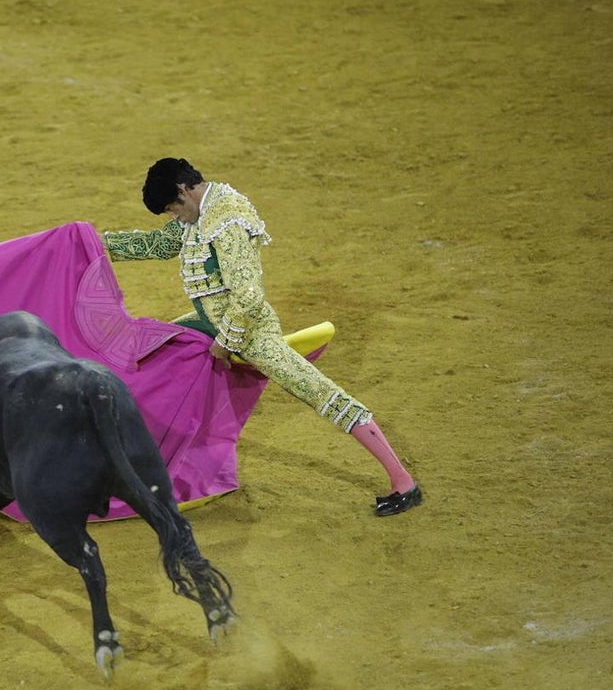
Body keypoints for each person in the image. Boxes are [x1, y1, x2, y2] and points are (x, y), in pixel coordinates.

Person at [101, 157, 423, 517]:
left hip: (249, 331)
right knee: (152, 350)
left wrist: (225, 342)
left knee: (318, 392)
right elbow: (159, 245)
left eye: (172, 208)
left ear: (183, 191)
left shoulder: (226, 218)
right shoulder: (200, 212)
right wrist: (96, 245)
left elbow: (249, 296)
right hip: (210, 321)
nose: (175, 216)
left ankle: (403, 482)